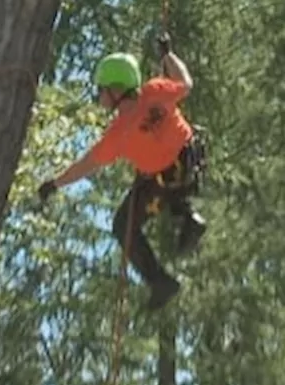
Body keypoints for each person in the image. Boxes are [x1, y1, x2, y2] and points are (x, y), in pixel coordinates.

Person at [37, 35, 207, 311]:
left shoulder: (119, 133)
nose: (98, 96)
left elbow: (87, 164)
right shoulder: (155, 91)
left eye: (101, 90)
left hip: (163, 180)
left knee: (122, 226)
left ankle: (160, 281)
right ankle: (188, 216)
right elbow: (186, 83)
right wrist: (168, 56)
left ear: (116, 90)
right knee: (153, 177)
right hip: (189, 163)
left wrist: (55, 183)